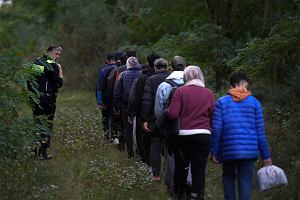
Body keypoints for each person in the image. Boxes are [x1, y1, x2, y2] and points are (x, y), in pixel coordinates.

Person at [210, 71, 272, 200]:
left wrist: (214, 152)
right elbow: (260, 132)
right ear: (245, 83)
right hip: (249, 151)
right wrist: (266, 156)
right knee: (245, 180)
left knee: (228, 177)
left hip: (228, 150)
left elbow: (216, 129)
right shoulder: (255, 103)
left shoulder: (221, 102)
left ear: (231, 85)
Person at [166, 66, 214, 199]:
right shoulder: (208, 93)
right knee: (199, 170)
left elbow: (173, 114)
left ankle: (179, 194)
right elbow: (212, 116)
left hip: (183, 135)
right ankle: (197, 195)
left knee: (181, 167)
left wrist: (167, 111)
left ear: (185, 77)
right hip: (203, 135)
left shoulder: (180, 91)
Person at [154, 56, 186, 192]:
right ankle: (187, 183)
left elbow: (158, 110)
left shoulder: (164, 85)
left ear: (171, 68)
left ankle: (170, 184)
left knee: (170, 156)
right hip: (190, 126)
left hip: (171, 126)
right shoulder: (193, 84)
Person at [27, 44, 64, 160]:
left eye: (59, 54)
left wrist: (33, 94)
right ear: (49, 52)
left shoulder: (37, 63)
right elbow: (59, 83)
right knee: (47, 125)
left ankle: (34, 150)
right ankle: (43, 152)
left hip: (36, 99)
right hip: (47, 100)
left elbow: (31, 80)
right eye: (56, 53)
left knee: (37, 123)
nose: (57, 56)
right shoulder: (53, 66)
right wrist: (60, 69)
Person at [142, 58, 170, 181]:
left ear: (155, 67)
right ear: (167, 67)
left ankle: (156, 174)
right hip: (170, 116)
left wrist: (145, 119)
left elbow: (147, 101)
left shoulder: (151, 79)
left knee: (155, 144)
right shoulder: (172, 78)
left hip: (155, 117)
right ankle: (169, 172)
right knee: (169, 145)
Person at [131, 53, 161, 165]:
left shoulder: (143, 78)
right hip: (162, 115)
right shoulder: (166, 77)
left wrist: (140, 116)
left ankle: (147, 163)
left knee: (146, 140)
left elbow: (137, 99)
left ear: (148, 63)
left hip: (146, 115)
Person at [113, 57, 141, 158]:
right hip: (139, 107)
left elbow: (116, 93)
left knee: (128, 130)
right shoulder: (142, 74)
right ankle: (140, 153)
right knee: (139, 130)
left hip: (126, 106)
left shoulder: (122, 75)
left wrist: (116, 107)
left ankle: (130, 154)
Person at [96, 53, 118, 137]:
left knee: (106, 116)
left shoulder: (103, 70)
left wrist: (99, 101)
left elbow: (99, 86)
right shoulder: (119, 69)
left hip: (105, 98)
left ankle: (107, 134)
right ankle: (115, 135)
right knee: (115, 116)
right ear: (115, 60)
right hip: (116, 98)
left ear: (107, 61)